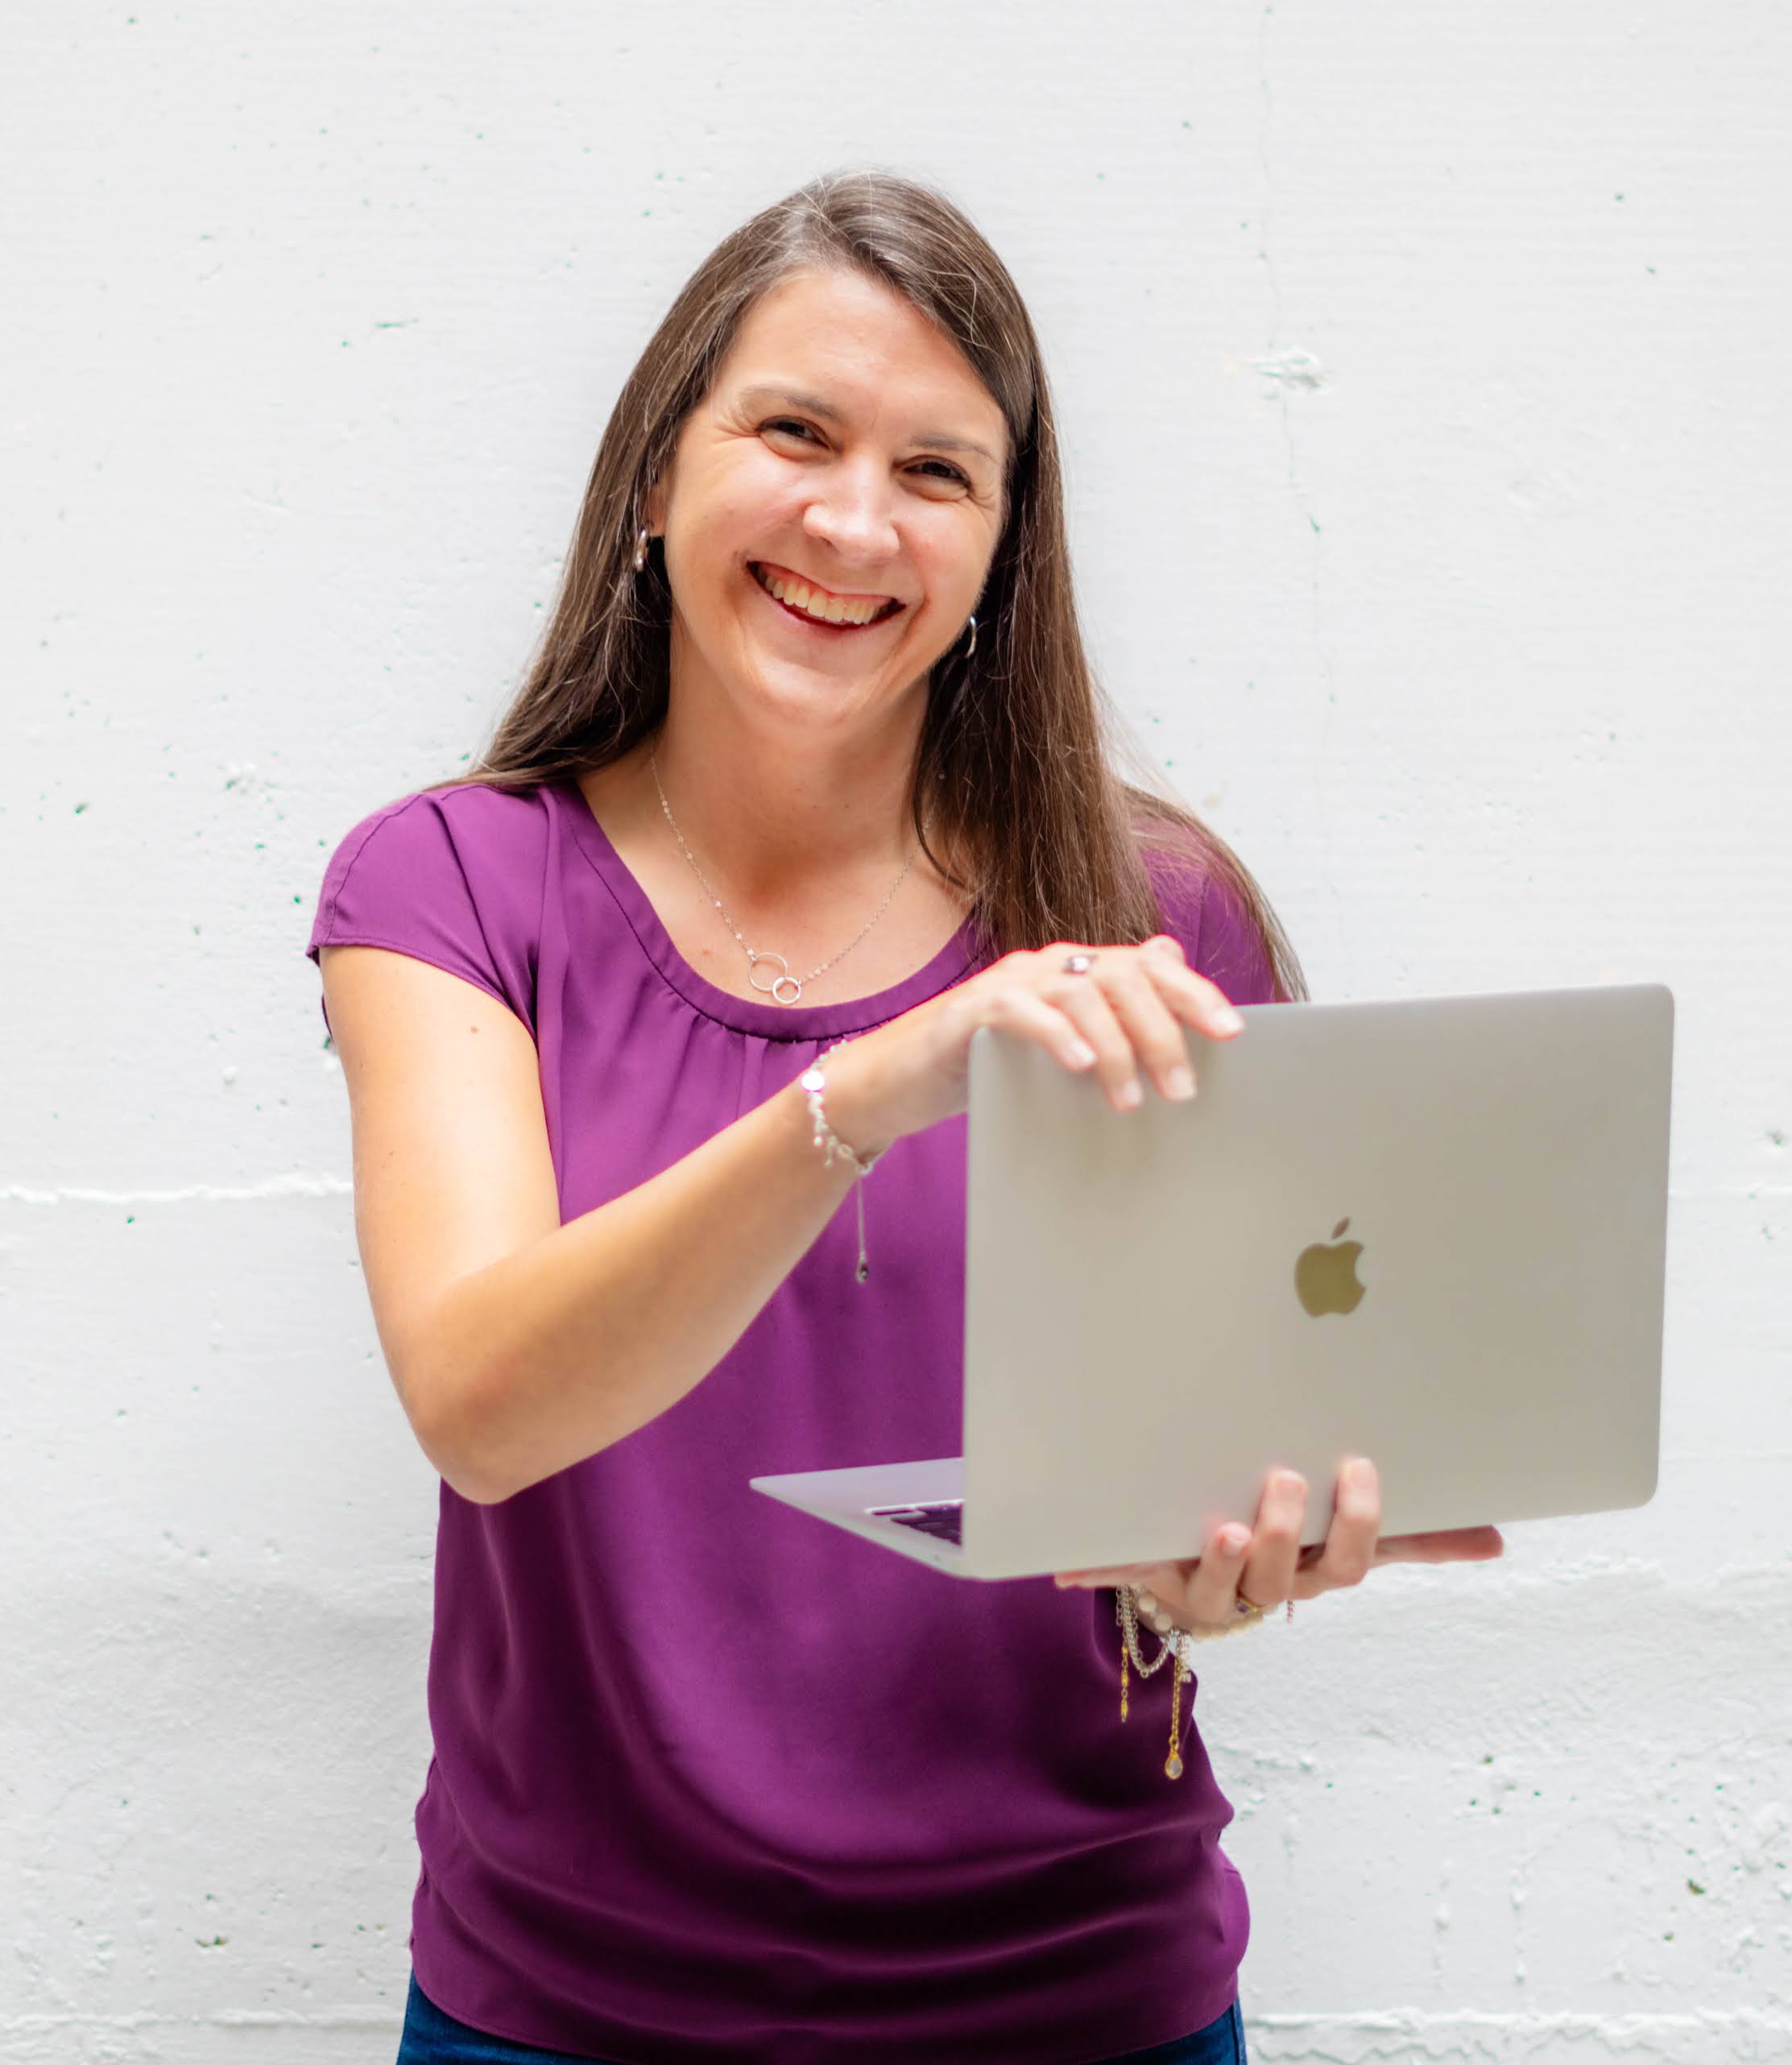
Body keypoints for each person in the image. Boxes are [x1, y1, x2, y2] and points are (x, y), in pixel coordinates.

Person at [310, 174, 1504, 2063]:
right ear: (654, 478)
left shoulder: (1154, 913)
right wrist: (873, 1083)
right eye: (793, 430)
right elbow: (482, 1402)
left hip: (1082, 2002)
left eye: (937, 472)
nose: (852, 522)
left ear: (999, 548)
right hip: (569, 2014)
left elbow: (1209, 1454)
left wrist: (1211, 1574)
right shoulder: (456, 884)